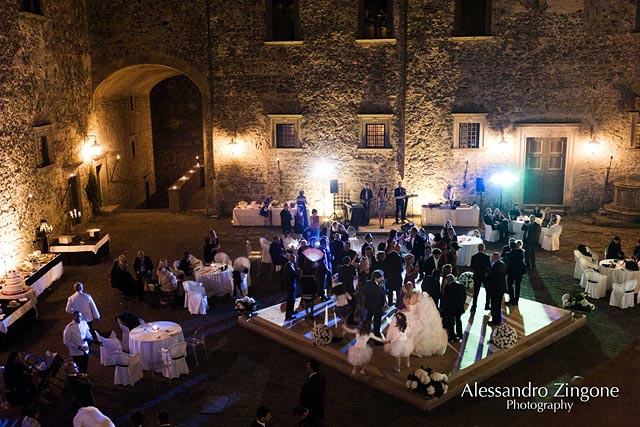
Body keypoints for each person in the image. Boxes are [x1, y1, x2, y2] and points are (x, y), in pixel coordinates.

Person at [401, 280, 448, 357]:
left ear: (406, 289)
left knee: (411, 332)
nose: (403, 289)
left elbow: (409, 309)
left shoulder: (405, 298)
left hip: (412, 314)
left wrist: (403, 310)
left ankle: (413, 348)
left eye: (403, 288)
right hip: (418, 314)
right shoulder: (416, 294)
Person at [441, 274, 466, 342]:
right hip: (459, 307)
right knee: (458, 320)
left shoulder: (448, 287)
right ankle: (460, 334)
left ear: (447, 280)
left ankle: (452, 337)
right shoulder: (461, 286)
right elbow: (464, 296)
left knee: (451, 322)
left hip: (450, 308)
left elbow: (445, 298)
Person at [363, 270, 386, 339]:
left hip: (369, 305)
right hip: (377, 307)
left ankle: (366, 331)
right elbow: (380, 296)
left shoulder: (367, 283)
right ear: (376, 278)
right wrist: (382, 288)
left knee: (368, 319)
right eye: (380, 278)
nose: (381, 279)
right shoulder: (378, 287)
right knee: (377, 321)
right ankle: (376, 333)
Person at [486, 252, 506, 325]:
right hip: (501, 288)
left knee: (495, 305)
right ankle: (498, 319)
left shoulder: (495, 266)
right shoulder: (502, 264)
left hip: (495, 289)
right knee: (498, 305)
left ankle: (495, 320)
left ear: (494, 258)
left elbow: (492, 277)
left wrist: (487, 275)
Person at [470, 244, 491, 311]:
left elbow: (472, 267)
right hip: (484, 276)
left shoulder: (474, 257)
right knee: (488, 291)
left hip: (477, 275)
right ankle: (487, 305)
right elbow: (489, 267)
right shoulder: (486, 257)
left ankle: (474, 306)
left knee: (476, 292)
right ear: (484, 248)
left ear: (478, 248)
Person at [505, 240, 526, 305]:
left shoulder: (508, 254)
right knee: (518, 285)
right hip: (519, 271)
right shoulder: (521, 252)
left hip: (512, 271)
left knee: (510, 285)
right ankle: (516, 300)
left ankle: (511, 299)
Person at [283, 253, 297, 320]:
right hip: (290, 285)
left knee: (292, 299)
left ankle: (291, 311)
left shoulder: (291, 265)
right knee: (290, 300)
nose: (295, 260)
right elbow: (289, 276)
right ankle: (288, 314)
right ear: (290, 259)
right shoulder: (288, 266)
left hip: (292, 285)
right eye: (294, 258)